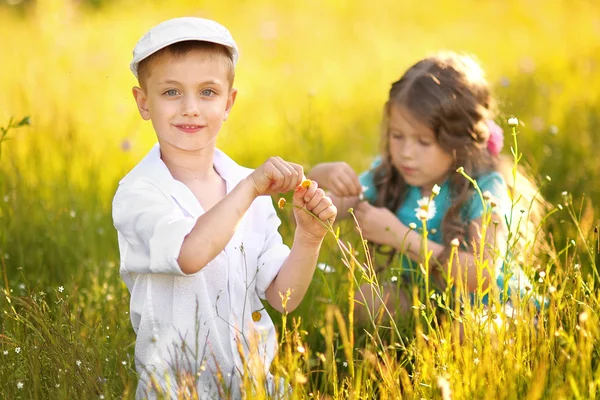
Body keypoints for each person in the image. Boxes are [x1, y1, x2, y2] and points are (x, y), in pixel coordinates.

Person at [112, 17, 337, 399]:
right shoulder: (140, 192)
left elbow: (285, 297)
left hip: (253, 385)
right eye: (170, 93)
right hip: (176, 388)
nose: (190, 109)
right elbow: (189, 254)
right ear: (143, 102)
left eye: (207, 92)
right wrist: (250, 189)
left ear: (229, 102)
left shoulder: (244, 185)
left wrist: (309, 238)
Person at [308, 51, 545, 324]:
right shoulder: (390, 175)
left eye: (423, 142)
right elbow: (312, 215)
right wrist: (321, 177)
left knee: (466, 334)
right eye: (397, 136)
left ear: (458, 141)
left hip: (498, 308)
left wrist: (398, 236)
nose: (406, 153)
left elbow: (483, 275)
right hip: (431, 303)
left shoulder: (485, 187)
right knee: (368, 301)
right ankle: (424, 338)